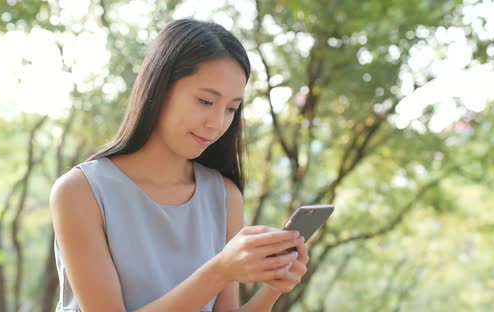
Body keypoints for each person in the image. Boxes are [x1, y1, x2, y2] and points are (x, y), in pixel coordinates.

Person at [49, 19, 309, 312]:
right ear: (160, 88)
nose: (217, 123)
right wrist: (220, 271)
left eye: (232, 109)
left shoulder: (223, 195)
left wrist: (274, 286)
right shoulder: (81, 191)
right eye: (205, 101)